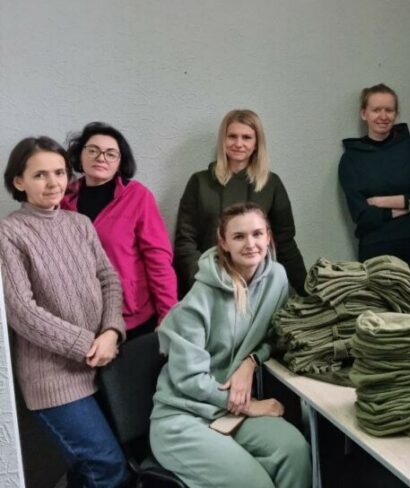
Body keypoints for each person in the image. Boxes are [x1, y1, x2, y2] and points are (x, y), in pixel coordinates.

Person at [150, 202, 311, 488]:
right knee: (256, 484)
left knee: (295, 451)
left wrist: (251, 362)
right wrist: (250, 406)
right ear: (223, 242)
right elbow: (188, 380)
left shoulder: (276, 278)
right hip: (183, 417)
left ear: (268, 237)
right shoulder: (198, 300)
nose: (250, 244)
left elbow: (277, 335)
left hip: (228, 412)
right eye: (239, 236)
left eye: (257, 234)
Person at [0, 136, 128, 486]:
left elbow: (109, 280)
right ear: (19, 181)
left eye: (59, 172)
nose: (53, 182)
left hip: (103, 366)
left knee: (88, 470)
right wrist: (89, 344)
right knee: (107, 466)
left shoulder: (80, 224)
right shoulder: (9, 233)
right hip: (53, 377)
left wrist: (111, 332)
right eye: (40, 175)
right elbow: (22, 312)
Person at [62, 122, 177, 339]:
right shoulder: (64, 198)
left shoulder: (138, 196)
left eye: (110, 153)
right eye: (93, 150)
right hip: (80, 318)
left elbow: (158, 260)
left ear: (120, 161)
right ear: (80, 154)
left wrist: (169, 315)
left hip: (132, 317)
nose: (101, 158)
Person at [174, 109, 307, 297]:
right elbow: (185, 241)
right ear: (223, 140)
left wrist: (306, 291)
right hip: (208, 285)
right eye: (232, 136)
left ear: (256, 144)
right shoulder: (199, 182)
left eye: (246, 137)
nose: (238, 144)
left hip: (257, 288)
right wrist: (204, 280)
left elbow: (285, 243)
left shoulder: (271, 184)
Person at [339, 83, 410, 266]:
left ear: (396, 114)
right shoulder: (351, 159)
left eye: (389, 110)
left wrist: (379, 201)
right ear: (364, 114)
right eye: (376, 110)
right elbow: (362, 216)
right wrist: (409, 203)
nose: (383, 116)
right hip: (375, 251)